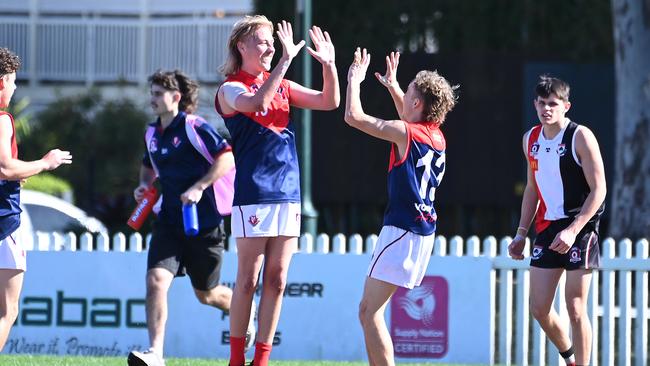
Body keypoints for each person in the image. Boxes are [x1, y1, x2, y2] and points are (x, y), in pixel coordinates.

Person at [215, 15, 339, 366]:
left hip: (288, 193)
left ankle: (262, 359)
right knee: (247, 281)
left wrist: (329, 66)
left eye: (273, 42)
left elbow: (328, 101)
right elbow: (257, 105)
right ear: (242, 46)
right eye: (264, 41)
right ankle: (236, 359)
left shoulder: (280, 83)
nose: (270, 47)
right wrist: (285, 60)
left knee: (278, 279)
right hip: (254, 193)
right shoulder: (230, 88)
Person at [128, 69, 253, 366]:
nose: (153, 99)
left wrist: (199, 187)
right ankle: (156, 353)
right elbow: (148, 165)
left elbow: (227, 156)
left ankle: (247, 314)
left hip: (204, 222)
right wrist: (144, 185)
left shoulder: (194, 126)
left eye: (158, 94)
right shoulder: (152, 133)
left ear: (176, 97)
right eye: (152, 93)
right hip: (169, 221)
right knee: (156, 281)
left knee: (207, 294)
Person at [344, 48, 457, 366]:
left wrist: (355, 79)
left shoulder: (407, 133)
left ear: (419, 103)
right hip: (422, 233)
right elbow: (410, 122)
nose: (404, 96)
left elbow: (354, 117)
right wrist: (395, 87)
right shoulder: (438, 138)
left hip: (402, 230)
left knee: (368, 312)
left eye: (409, 93)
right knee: (371, 311)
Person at [508, 75, 606, 366]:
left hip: (581, 226)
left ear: (566, 106)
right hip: (548, 228)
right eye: (541, 103)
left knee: (575, 307)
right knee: (539, 308)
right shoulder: (530, 139)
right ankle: (570, 357)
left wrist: (574, 230)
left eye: (553, 103)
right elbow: (532, 188)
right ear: (535, 104)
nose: (546, 108)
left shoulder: (580, 136)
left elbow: (599, 189)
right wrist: (521, 233)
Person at [0, 47, 72, 350]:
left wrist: (19, 172)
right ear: (2, 82)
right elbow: (4, 166)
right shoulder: (2, 118)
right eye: (14, 81)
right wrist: (45, 162)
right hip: (4, 223)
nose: (15, 88)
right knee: (7, 309)